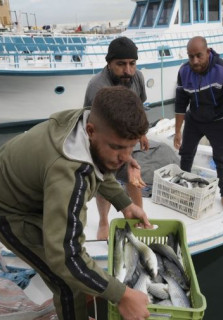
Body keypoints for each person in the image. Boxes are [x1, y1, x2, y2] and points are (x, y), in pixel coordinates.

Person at [0, 86, 152, 320]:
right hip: (5, 208)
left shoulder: (88, 124)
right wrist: (122, 295)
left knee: (74, 262)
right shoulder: (69, 176)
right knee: (67, 281)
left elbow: (102, 165)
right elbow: (65, 258)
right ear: (91, 131)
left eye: (131, 147)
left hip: (31, 189)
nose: (124, 157)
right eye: (118, 147)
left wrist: (125, 204)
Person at [84, 36, 149, 240]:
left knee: (133, 175)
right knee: (106, 177)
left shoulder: (136, 77)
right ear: (109, 63)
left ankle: (138, 214)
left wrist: (142, 134)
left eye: (132, 63)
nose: (128, 70)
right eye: (121, 64)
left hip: (128, 134)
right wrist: (123, 156)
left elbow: (139, 107)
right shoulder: (97, 86)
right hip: (102, 138)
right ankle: (104, 221)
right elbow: (98, 130)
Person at [173, 36, 223, 210]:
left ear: (208, 52)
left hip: (219, 121)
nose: (195, 61)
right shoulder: (184, 71)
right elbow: (180, 104)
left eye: (199, 55)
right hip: (194, 119)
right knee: (186, 153)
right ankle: (185, 186)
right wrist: (177, 131)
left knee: (222, 160)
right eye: (191, 57)